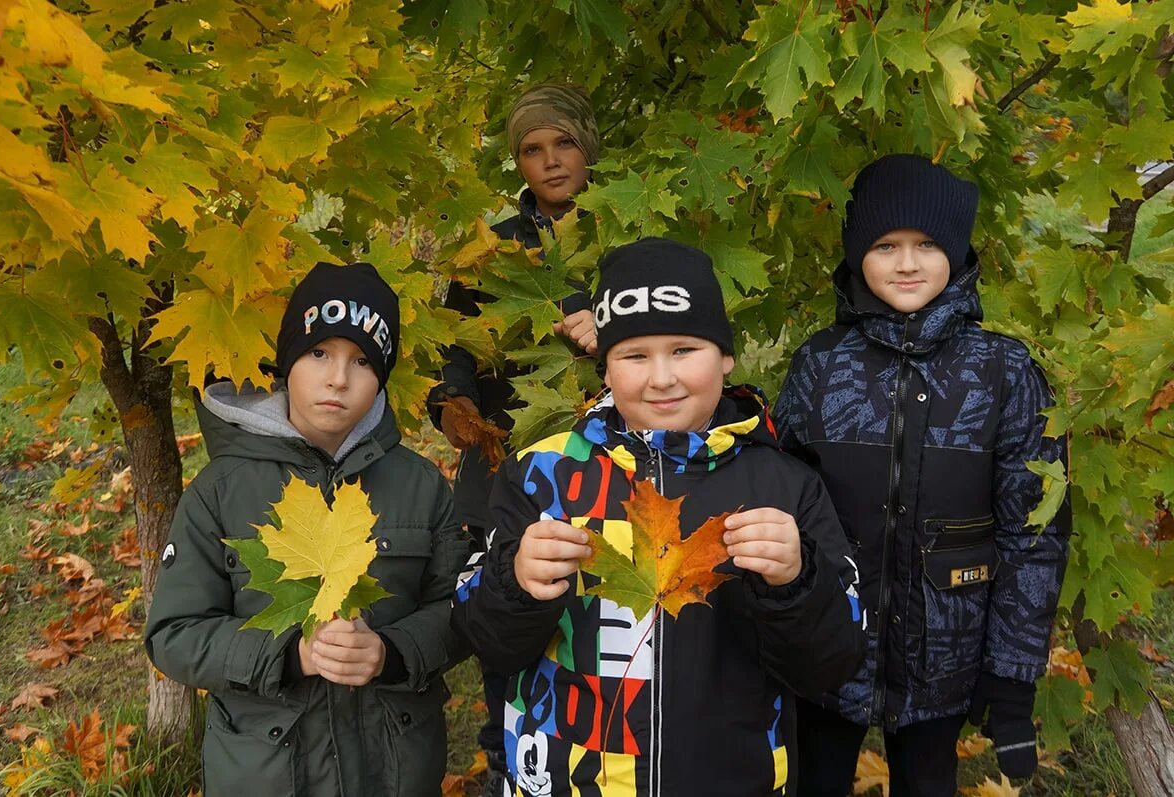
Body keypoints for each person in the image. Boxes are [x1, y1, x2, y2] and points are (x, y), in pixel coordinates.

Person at [452, 237, 866, 797]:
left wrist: (796, 581)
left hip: (729, 777)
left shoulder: (782, 486)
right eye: (634, 355)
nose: (661, 378)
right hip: (569, 778)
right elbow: (487, 642)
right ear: (606, 367)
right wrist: (515, 583)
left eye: (684, 350)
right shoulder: (541, 474)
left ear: (725, 356)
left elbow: (832, 666)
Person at [774, 155, 1072, 796]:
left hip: (946, 661)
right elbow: (777, 502)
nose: (907, 263)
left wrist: (1012, 677)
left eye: (927, 244)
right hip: (828, 649)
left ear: (958, 250)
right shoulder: (820, 366)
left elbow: (1034, 530)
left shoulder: (1003, 372)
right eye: (886, 245)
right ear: (858, 253)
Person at [145, 262, 469, 796]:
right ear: (287, 360)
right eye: (319, 353)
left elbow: (458, 609)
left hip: (393, 770)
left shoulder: (421, 486)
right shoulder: (220, 491)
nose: (337, 378)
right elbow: (174, 635)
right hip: (270, 772)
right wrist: (290, 655)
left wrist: (392, 652)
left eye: (362, 361)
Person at [429, 82, 600, 796]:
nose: (551, 161)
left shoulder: (623, 236)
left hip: (605, 468)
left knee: (594, 625)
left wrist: (609, 335)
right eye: (533, 149)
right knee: (504, 619)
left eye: (563, 143)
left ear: (588, 146)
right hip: (509, 474)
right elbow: (457, 347)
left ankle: (598, 753)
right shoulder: (491, 251)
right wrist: (452, 399)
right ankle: (507, 757)